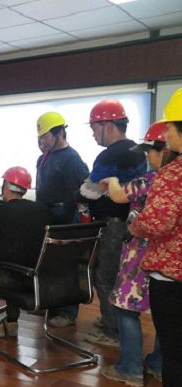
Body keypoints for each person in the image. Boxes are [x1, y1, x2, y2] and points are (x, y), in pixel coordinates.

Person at [96, 122, 175, 387]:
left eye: (149, 152)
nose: (146, 158)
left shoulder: (150, 180)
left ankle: (129, 368)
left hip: (138, 256)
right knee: (165, 312)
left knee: (126, 307)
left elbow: (118, 196)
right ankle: (159, 364)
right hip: (167, 258)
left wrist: (112, 180)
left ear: (164, 151)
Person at [75, 99, 147, 347]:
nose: (93, 134)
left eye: (94, 128)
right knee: (121, 277)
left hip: (112, 226)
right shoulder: (138, 151)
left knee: (105, 277)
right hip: (130, 224)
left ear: (107, 125)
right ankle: (114, 320)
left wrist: (76, 195)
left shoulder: (110, 155)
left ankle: (112, 331)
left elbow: (90, 191)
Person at [129, 89, 182, 387]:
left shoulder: (172, 173)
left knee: (175, 351)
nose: (168, 134)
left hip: (172, 277)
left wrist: (135, 224)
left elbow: (157, 222)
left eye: (171, 128)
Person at [0, 167, 59, 337]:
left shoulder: (1, 210)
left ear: (6, 186)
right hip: (38, 277)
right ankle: (11, 322)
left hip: (12, 278)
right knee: (13, 265)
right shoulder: (43, 210)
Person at [35, 112, 90, 328]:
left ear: (60, 133)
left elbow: (72, 195)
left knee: (67, 264)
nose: (42, 142)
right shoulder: (44, 157)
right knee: (49, 264)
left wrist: (64, 224)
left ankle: (68, 312)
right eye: (39, 138)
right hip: (47, 214)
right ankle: (52, 304)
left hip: (64, 215)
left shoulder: (71, 158)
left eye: (45, 137)